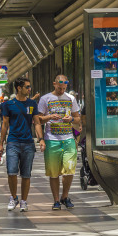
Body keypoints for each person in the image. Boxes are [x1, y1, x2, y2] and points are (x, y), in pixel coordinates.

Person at [36, 75, 81, 210]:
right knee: (53, 173)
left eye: (64, 88)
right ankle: (56, 200)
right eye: (59, 88)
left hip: (68, 139)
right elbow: (38, 120)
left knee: (69, 170)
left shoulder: (71, 98)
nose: (62, 91)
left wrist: (71, 120)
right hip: (52, 140)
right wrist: (49, 117)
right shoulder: (45, 99)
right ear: (54, 84)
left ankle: (65, 196)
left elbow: (78, 119)